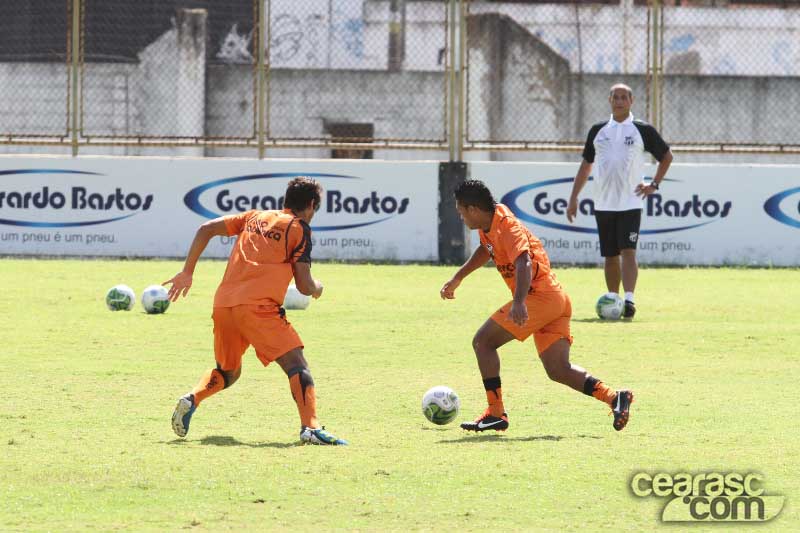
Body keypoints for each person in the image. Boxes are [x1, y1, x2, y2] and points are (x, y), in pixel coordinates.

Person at [164, 177, 347, 446]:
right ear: (310, 205)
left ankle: (193, 398)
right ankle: (311, 428)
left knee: (228, 373)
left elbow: (205, 228)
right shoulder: (299, 229)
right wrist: (318, 287)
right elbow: (305, 286)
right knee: (297, 365)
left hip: (224, 305)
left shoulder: (254, 217)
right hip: (259, 309)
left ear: (285, 200)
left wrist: (187, 272)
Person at [440, 180, 633, 432]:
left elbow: (524, 263)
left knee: (483, 342)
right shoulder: (489, 225)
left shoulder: (506, 227)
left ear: (474, 209)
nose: (461, 217)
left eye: (461, 211)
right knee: (558, 369)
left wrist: (519, 302)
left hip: (539, 298)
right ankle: (614, 397)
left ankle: (496, 413)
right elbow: (487, 250)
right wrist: (459, 277)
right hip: (555, 299)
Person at [567, 83, 673, 319]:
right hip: (603, 203)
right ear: (609, 100)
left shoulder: (641, 130)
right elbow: (586, 165)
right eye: (615, 97)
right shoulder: (598, 130)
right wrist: (574, 197)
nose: (619, 101)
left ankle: (630, 299)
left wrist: (654, 184)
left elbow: (666, 156)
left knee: (628, 251)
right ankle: (613, 299)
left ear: (631, 101)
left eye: (624, 97)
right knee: (610, 255)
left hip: (630, 202)